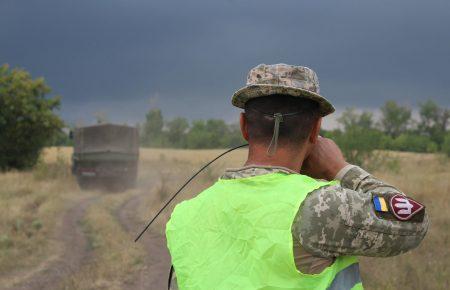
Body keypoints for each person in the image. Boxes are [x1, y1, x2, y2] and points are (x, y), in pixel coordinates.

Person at [166, 64, 429, 290]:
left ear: (244, 127)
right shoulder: (321, 206)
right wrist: (340, 168)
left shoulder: (185, 216)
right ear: (315, 131)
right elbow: (414, 221)